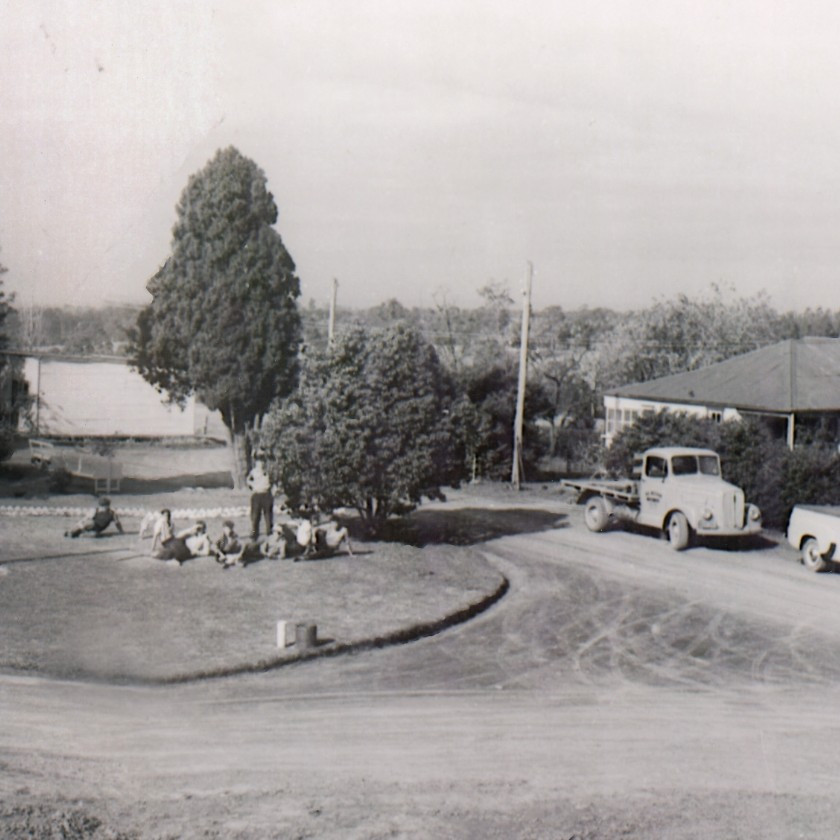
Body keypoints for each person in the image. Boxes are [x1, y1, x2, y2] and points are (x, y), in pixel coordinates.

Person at [246, 460, 274, 540]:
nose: (260, 464)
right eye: (259, 462)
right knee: (255, 516)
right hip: (257, 494)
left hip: (266, 494)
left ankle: (269, 532)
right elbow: (248, 481)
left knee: (268, 515)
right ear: (256, 464)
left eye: (262, 462)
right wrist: (253, 486)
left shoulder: (268, 471)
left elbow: (273, 481)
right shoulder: (253, 472)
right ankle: (254, 533)